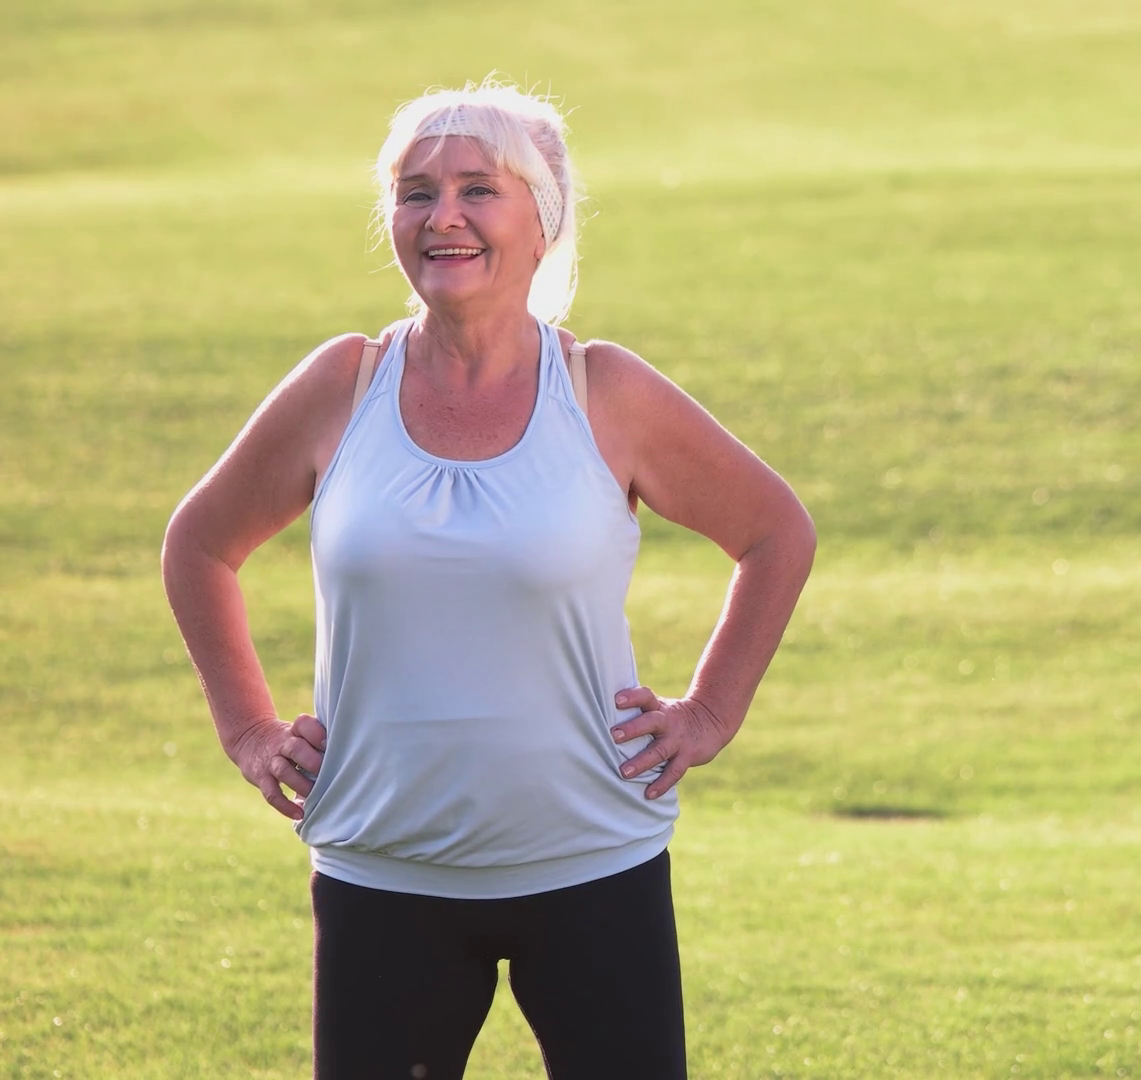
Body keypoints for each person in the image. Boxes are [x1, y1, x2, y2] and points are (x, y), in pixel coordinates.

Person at [161, 81, 815, 1079]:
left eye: (479, 190)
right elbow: (200, 544)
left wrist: (711, 713)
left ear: (543, 220)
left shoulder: (607, 392)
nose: (445, 217)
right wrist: (248, 730)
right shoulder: (344, 385)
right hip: (383, 873)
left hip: (594, 864)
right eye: (417, 193)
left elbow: (776, 533)